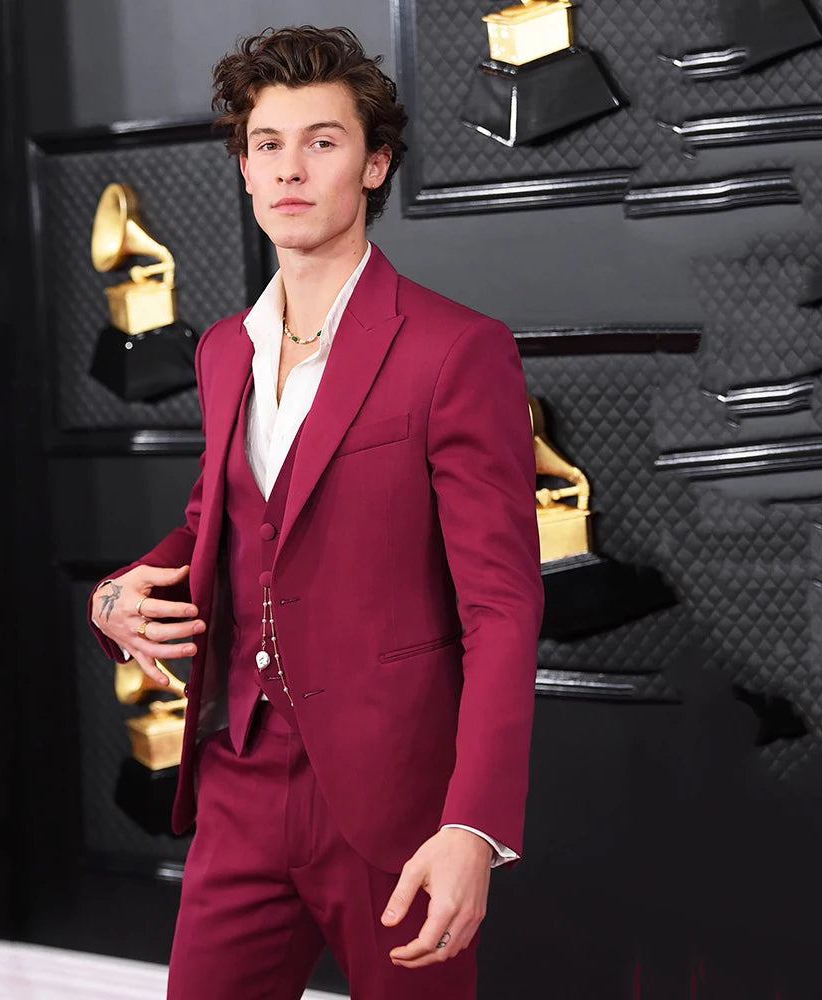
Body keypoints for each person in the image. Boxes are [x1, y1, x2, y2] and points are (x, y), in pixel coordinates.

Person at [89, 24, 543, 1000]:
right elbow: (221, 521)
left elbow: (502, 607)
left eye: (322, 141)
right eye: (267, 144)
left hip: (397, 799)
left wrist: (473, 824)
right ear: (245, 168)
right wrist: (121, 590)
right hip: (238, 781)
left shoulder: (455, 350)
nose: (290, 168)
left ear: (375, 164)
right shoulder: (223, 349)